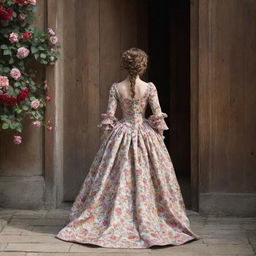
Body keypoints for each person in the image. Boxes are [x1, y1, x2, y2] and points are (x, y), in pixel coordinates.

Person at [56, 47, 200, 248]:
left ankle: (110, 216)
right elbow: (158, 116)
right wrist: (158, 143)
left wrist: (107, 143)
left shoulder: (116, 88)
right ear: (143, 65)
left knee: (113, 176)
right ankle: (149, 216)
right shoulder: (149, 88)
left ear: (125, 65)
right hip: (145, 134)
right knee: (151, 176)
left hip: (121, 133)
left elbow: (109, 117)